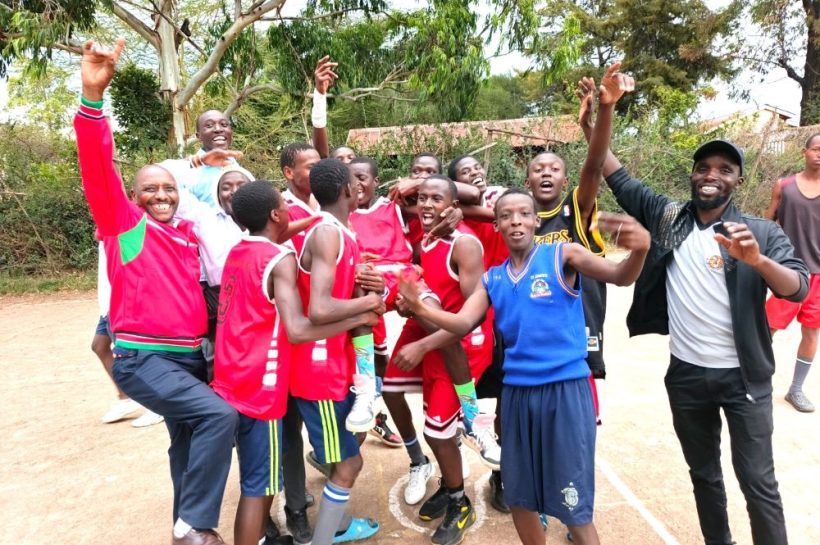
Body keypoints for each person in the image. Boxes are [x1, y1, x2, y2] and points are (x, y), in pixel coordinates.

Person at [397, 190, 650, 545]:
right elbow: (463, 322)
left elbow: (621, 276)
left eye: (524, 214)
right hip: (516, 395)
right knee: (519, 498)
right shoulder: (493, 279)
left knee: (573, 506)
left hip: (564, 392)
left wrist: (639, 250)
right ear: (496, 225)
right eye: (506, 215)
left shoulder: (563, 255)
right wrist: (420, 308)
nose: (516, 221)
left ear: (535, 221)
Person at [596, 125, 809, 541]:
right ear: (693, 174)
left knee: (757, 482)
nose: (712, 175)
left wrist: (757, 261)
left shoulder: (759, 233)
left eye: (725, 169)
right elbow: (617, 177)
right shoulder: (668, 217)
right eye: (704, 167)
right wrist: (597, 123)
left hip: (744, 378)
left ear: (738, 181)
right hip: (687, 376)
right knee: (704, 475)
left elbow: (797, 287)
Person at [75, 39, 238, 545]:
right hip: (145, 360)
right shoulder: (126, 227)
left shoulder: (189, 235)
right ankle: (195, 525)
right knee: (219, 416)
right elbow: (97, 167)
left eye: (169, 188)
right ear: (134, 197)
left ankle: (181, 528)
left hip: (191, 359)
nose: (161, 195)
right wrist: (92, 98)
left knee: (186, 445)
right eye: (150, 189)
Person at [212, 180, 378, 545]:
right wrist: (363, 312)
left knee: (257, 479)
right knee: (260, 487)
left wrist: (319, 218)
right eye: (284, 206)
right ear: (275, 214)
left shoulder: (239, 249)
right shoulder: (280, 259)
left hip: (232, 377)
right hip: (262, 386)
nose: (291, 210)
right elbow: (300, 330)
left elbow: (280, 232)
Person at [388, 175, 502, 545]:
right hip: (440, 341)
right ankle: (451, 480)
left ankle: (459, 502)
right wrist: (408, 306)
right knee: (403, 398)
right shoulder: (427, 239)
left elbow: (473, 317)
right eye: (421, 197)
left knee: (437, 432)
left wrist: (423, 345)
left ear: (452, 206)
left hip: (464, 347)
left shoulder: (464, 244)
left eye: (436, 198)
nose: (426, 204)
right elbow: (433, 296)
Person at [292, 158, 386, 545]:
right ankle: (326, 537)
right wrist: (369, 305)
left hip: (335, 365)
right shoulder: (328, 233)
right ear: (349, 190)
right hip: (319, 374)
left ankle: (337, 524)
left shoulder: (343, 232)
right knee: (350, 463)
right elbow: (319, 309)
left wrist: (371, 290)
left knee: (348, 448)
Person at [348, 157, 413, 447]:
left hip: (397, 280)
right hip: (364, 287)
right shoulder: (340, 213)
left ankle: (463, 416)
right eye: (351, 178)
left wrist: (415, 181)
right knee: (373, 360)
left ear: (376, 181)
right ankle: (370, 406)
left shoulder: (394, 207)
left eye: (362, 177)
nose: (356, 184)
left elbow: (441, 192)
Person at [764, 133, 820, 412]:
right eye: (816, 149)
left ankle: (796, 389)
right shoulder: (783, 186)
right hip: (788, 271)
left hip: (819, 276)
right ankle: (751, 377)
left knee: (811, 332)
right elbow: (768, 223)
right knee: (767, 327)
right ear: (804, 152)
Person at [94, 239, 164, 427]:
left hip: (122, 302)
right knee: (99, 346)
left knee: (134, 355)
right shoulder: (106, 232)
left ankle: (157, 406)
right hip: (108, 302)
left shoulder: (125, 231)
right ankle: (126, 398)